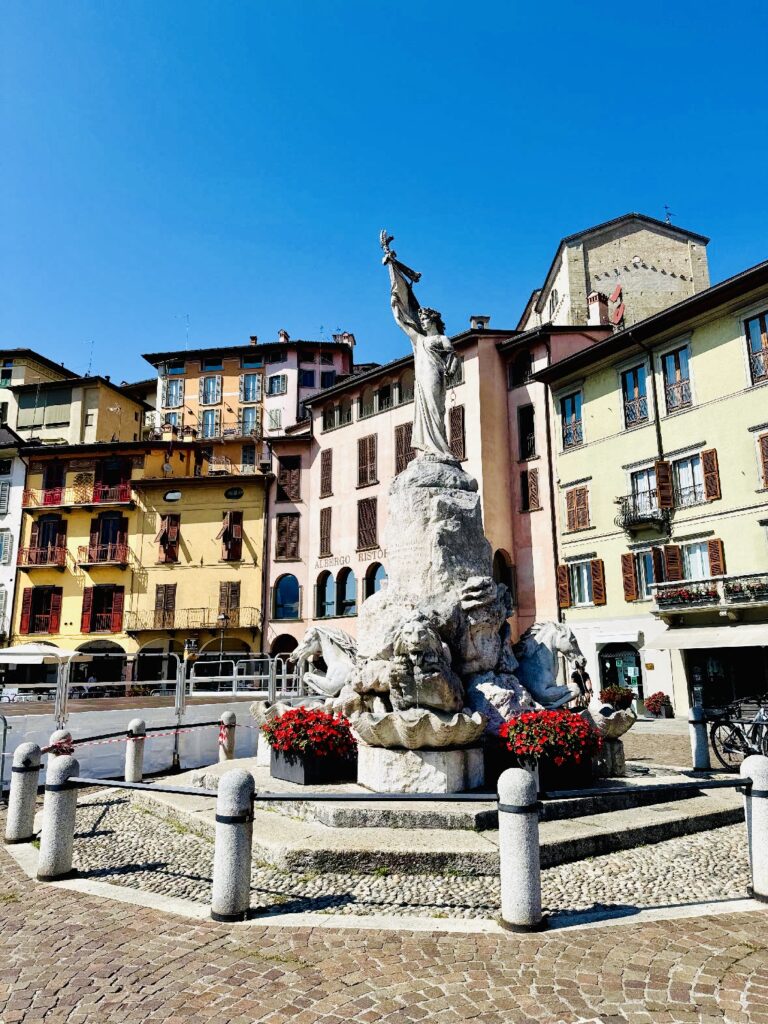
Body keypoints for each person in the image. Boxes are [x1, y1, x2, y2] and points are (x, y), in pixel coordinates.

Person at [381, 232, 458, 460]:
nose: (422, 321)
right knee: (425, 412)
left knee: (436, 410)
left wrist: (451, 369)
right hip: (422, 378)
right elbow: (403, 322)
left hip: (435, 376)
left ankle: (441, 449)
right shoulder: (420, 340)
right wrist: (396, 305)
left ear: (433, 321)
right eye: (421, 319)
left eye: (425, 319)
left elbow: (453, 357)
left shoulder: (441, 340)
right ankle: (430, 449)